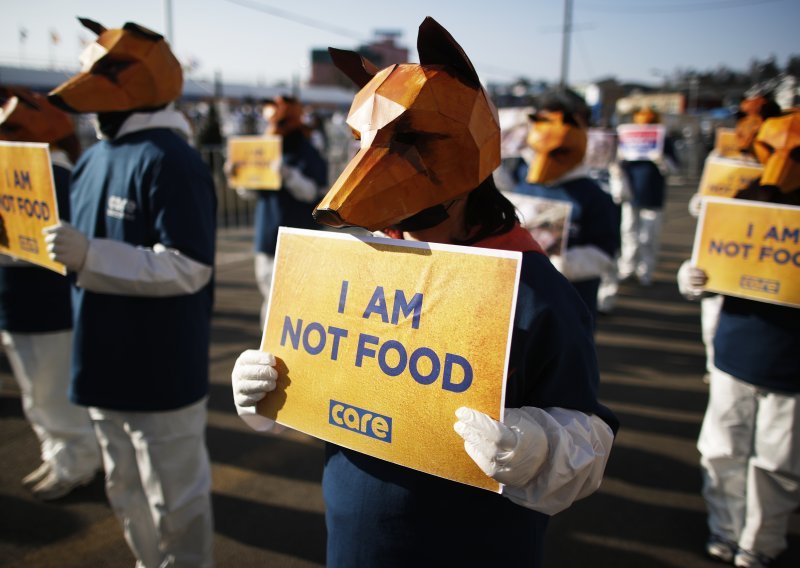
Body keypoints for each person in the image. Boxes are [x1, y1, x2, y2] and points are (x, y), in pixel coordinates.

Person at [231, 17, 618, 567]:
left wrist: (537, 446)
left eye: (408, 139)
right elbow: (318, 377)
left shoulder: (535, 292)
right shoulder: (352, 264)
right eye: (362, 140)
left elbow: (589, 439)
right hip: (352, 540)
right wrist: (265, 390)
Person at [44, 17, 216, 567]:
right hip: (99, 355)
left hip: (159, 365)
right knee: (124, 488)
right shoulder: (93, 157)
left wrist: (91, 256)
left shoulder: (172, 158)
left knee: (176, 496)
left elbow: (190, 267)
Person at [677, 108, 800, 568]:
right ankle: (724, 528)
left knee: (778, 463)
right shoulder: (743, 203)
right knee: (722, 449)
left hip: (791, 365)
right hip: (735, 351)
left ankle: (761, 541)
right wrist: (693, 277)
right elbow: (712, 260)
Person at [0, 86, 102, 500]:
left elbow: (48, 245)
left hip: (47, 304)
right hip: (16, 302)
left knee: (53, 391)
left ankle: (75, 461)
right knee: (35, 393)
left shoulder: (56, 176)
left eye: (13, 129)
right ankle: (57, 454)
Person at [688, 92, 782, 383]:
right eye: (743, 118)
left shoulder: (781, 166)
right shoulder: (720, 157)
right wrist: (701, 204)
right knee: (713, 315)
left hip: (766, 256)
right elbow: (703, 196)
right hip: (722, 249)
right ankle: (715, 364)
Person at [512, 89, 620, 325]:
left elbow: (605, 253)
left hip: (572, 307)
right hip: (523, 305)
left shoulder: (593, 196)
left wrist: (562, 263)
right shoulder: (523, 183)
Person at [230, 96, 328, 323]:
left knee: (299, 301)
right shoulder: (266, 146)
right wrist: (241, 176)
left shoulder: (308, 152)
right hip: (268, 237)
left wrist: (287, 174)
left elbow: (313, 193)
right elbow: (251, 191)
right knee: (271, 298)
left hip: (299, 238)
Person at [612, 107, 678, 286]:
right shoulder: (627, 138)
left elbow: (674, 168)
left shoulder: (664, 140)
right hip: (630, 195)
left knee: (649, 236)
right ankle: (627, 268)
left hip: (653, 196)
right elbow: (616, 164)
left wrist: (661, 159)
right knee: (628, 232)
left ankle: (646, 271)